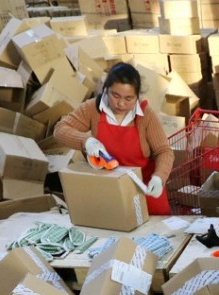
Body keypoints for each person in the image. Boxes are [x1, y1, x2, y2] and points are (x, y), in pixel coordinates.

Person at [55, 62, 173, 214]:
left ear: (137, 96)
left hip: (145, 190)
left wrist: (159, 177)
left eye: (129, 98)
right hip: (109, 191)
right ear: (106, 90)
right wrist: (86, 141)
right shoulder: (93, 109)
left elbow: (164, 151)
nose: (121, 103)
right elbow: (60, 130)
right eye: (115, 95)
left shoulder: (145, 115)